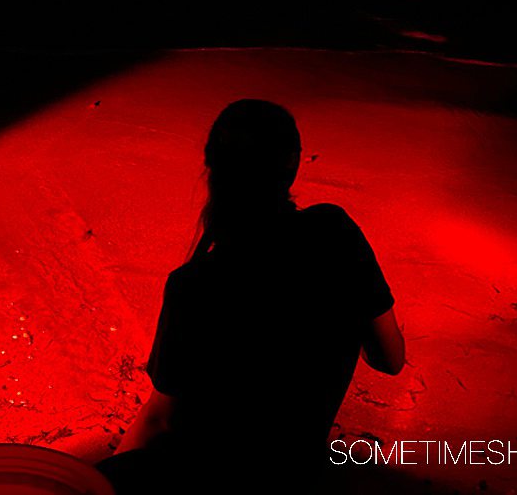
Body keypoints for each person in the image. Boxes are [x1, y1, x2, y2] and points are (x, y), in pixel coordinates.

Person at [97, 99, 404, 494]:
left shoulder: (195, 284)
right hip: (298, 472)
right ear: (292, 166)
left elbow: (162, 420)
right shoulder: (336, 232)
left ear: (212, 169)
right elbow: (390, 359)